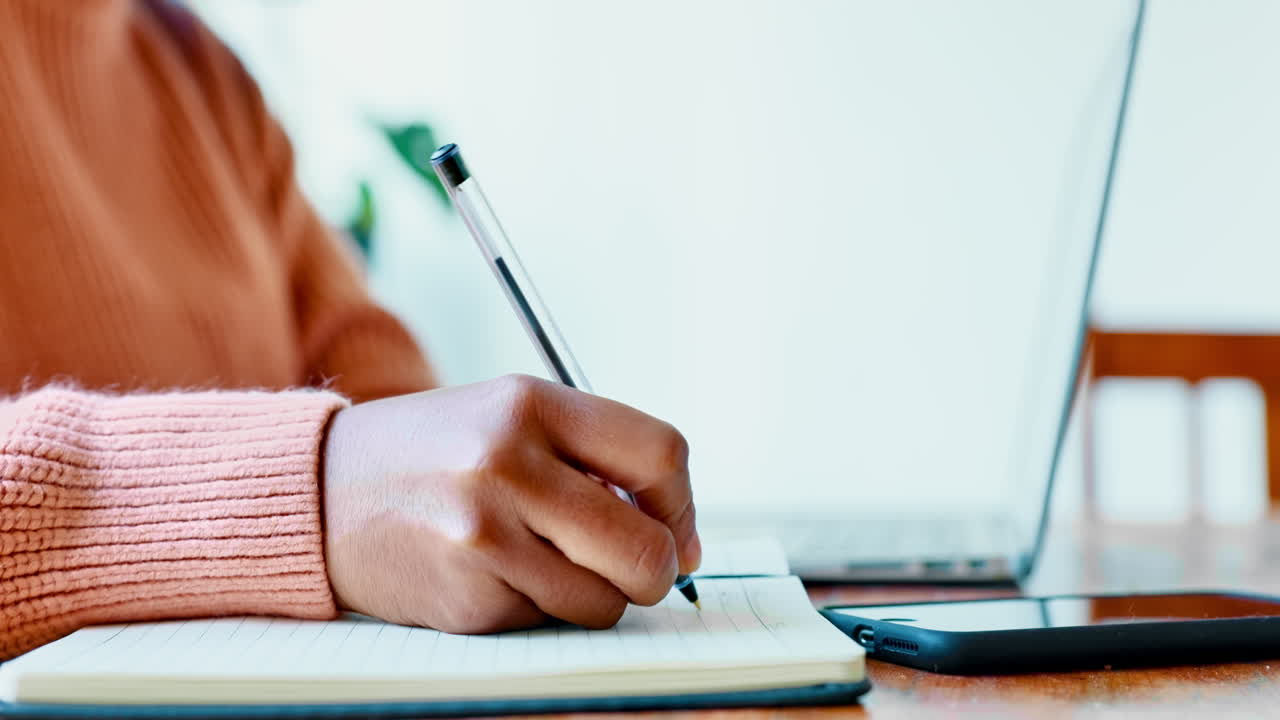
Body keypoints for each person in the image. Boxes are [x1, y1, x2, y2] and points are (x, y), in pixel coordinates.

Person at [0, 0, 700, 660]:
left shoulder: (192, 67)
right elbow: (360, 479)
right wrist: (307, 491)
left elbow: (387, 400)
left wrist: (514, 495)